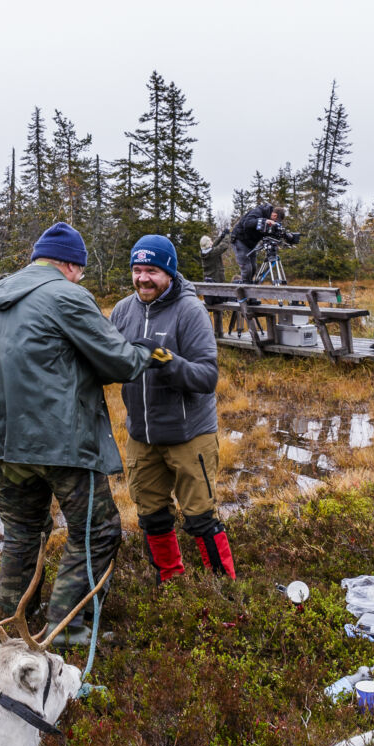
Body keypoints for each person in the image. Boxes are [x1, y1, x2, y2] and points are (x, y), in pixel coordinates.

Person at [0, 222, 165, 645]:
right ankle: (66, 627)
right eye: (81, 270)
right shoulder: (68, 295)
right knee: (98, 531)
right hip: (61, 443)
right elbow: (119, 363)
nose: (81, 278)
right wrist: (147, 352)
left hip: (4, 444)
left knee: (23, 531)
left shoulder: (0, 297)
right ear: (71, 265)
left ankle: (12, 624)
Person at [109, 235, 233, 579]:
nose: (143, 278)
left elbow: (206, 377)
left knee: (200, 519)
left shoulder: (190, 310)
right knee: (151, 515)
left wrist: (165, 359)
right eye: (137, 270)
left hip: (188, 435)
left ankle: (224, 591)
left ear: (169, 273)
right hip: (142, 435)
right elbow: (104, 361)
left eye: (152, 270)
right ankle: (172, 585)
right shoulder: (122, 310)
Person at [230, 202, 290, 283]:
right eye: (275, 221)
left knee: (253, 268)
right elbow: (247, 223)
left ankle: (249, 290)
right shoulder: (259, 211)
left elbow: (270, 233)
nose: (274, 224)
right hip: (240, 240)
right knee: (247, 269)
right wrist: (265, 221)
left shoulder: (271, 220)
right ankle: (244, 291)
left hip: (251, 244)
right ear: (274, 215)